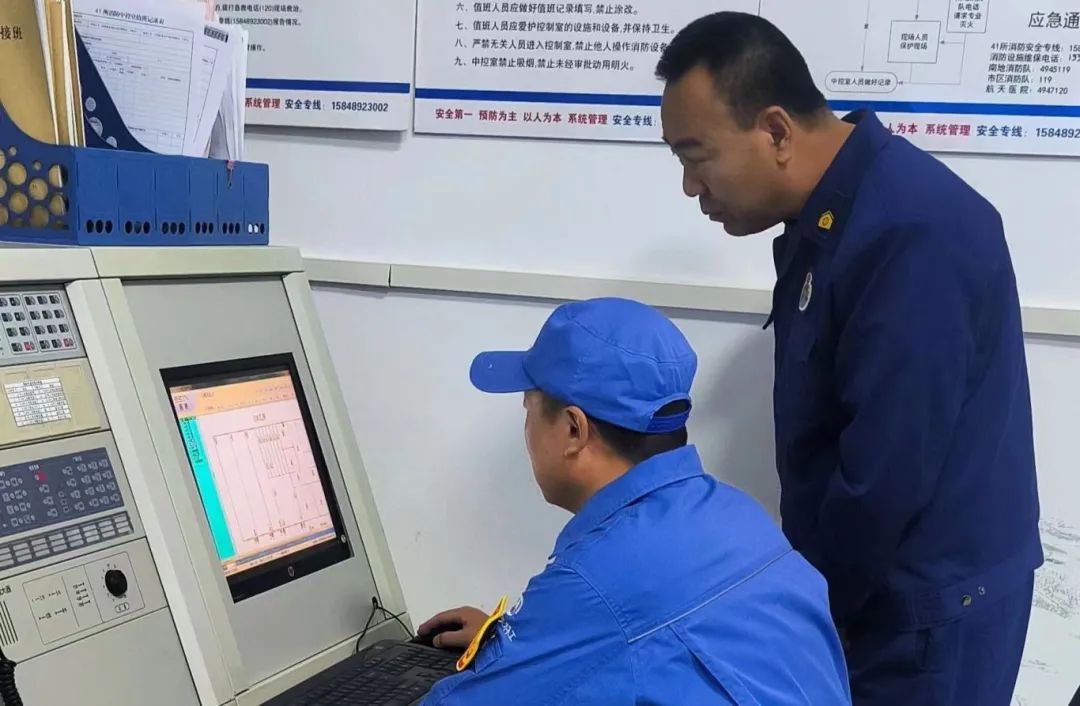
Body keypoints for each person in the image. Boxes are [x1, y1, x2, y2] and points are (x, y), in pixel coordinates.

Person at [655, 11, 1043, 706]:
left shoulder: (912, 231)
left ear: (776, 131)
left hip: (922, 618)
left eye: (695, 156)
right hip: (877, 594)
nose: (690, 186)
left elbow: (884, 474)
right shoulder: (833, 214)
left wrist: (801, 616)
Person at [417, 297, 850, 705]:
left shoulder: (594, 585)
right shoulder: (737, 516)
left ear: (573, 430)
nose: (526, 427)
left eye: (528, 407)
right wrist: (522, 646)